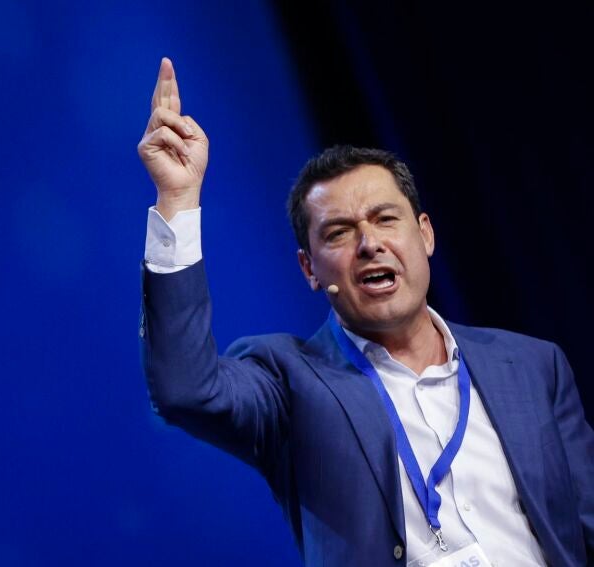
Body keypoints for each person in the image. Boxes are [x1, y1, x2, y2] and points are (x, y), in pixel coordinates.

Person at [137, 57, 593, 566]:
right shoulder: (288, 383)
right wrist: (178, 198)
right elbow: (183, 390)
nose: (369, 243)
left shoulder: (532, 366)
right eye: (339, 232)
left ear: (425, 235)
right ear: (309, 269)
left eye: (385, 219)